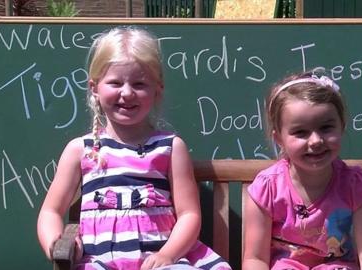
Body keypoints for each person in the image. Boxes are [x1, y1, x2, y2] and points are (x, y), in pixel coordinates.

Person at [37, 27, 231, 270]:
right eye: (115, 82)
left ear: (157, 90)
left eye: (139, 84)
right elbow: (51, 211)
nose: (127, 93)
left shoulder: (169, 148)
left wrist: (168, 255)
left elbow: (189, 214)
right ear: (94, 88)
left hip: (162, 261)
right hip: (99, 262)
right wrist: (57, 244)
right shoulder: (80, 150)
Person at [242, 72, 362, 270]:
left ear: (342, 127)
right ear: (279, 139)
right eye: (300, 132)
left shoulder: (354, 185)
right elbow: (255, 259)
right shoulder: (268, 188)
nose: (316, 141)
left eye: (326, 128)